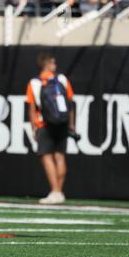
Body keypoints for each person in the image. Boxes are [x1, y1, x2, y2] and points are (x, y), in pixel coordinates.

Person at [26, 52, 76, 204]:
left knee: (47, 156)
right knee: (60, 156)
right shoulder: (62, 79)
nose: (55, 66)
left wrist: (33, 126)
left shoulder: (34, 83)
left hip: (45, 124)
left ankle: (55, 191)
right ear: (46, 64)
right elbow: (70, 104)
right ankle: (59, 192)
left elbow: (32, 108)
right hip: (62, 122)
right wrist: (71, 124)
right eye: (53, 63)